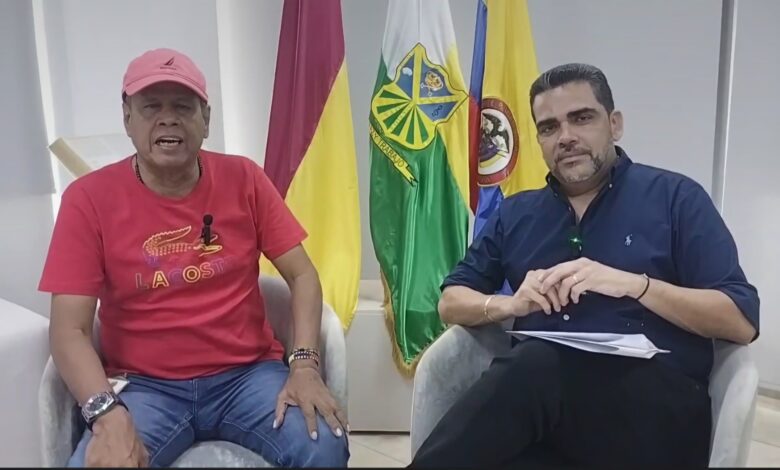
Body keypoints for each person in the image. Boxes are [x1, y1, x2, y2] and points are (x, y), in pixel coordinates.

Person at [410, 63, 759, 468]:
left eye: (581, 118)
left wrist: (636, 286)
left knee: (535, 363)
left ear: (614, 125)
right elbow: (451, 301)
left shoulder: (675, 198)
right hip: (546, 419)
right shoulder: (517, 213)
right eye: (549, 127)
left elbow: (740, 321)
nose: (566, 137)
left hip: (653, 416)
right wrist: (509, 305)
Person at [39, 48, 349, 468]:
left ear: (206, 119)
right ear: (127, 118)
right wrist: (107, 413)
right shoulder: (87, 200)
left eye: (183, 107)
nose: (168, 119)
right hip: (145, 387)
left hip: (248, 377)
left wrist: (305, 365)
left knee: (323, 445)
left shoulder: (245, 179)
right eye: (151, 107)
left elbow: (303, 276)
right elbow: (69, 330)